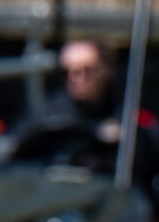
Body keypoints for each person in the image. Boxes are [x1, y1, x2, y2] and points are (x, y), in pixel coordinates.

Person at [8, 39, 129, 172]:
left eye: (87, 71)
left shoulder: (126, 115)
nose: (75, 78)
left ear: (108, 70)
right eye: (66, 72)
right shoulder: (42, 115)